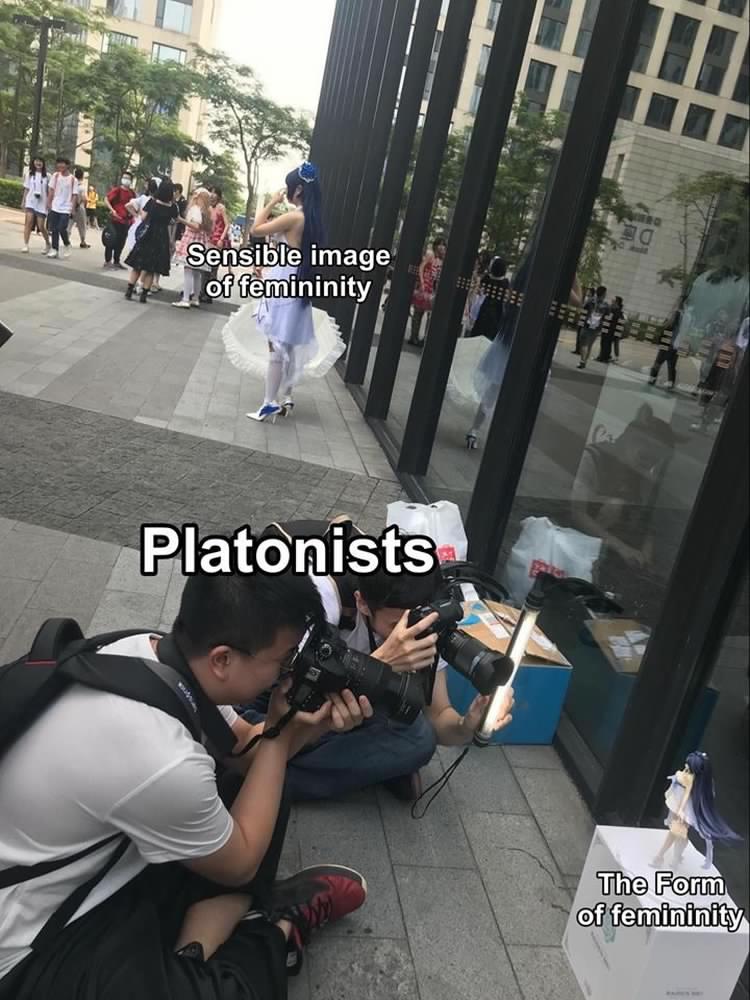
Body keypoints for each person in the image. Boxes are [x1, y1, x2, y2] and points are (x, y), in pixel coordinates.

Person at [0, 572, 369, 1000]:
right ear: (223, 660)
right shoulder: (162, 756)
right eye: (284, 662)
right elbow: (241, 863)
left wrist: (307, 726)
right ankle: (274, 931)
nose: (286, 676)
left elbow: (246, 749)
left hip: (98, 857)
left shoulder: (146, 651)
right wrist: (278, 734)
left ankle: (192, 949)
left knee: (262, 786)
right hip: (27, 942)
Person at [244, 561, 514, 803]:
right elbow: (291, 693)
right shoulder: (326, 599)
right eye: (395, 624)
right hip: (285, 692)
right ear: (362, 603)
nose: (407, 635)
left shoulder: (428, 627)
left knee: (419, 739)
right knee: (248, 721)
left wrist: (467, 725)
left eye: (416, 623)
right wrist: (383, 661)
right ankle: (265, 777)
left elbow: (439, 716)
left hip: (345, 712)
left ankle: (265, 773)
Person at [243, 162, 331, 422]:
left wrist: (272, 202)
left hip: (284, 284)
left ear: (299, 190)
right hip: (298, 283)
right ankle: (286, 397)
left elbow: (256, 229)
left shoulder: (295, 217)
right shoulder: (313, 219)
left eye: (290, 187)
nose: (288, 191)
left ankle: (269, 402)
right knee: (288, 344)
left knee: (276, 345)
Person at [125, 179, 179, 303]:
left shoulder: (152, 202)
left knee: (138, 266)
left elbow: (143, 217)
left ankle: (129, 290)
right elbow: (173, 221)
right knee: (151, 269)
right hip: (161, 238)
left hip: (147, 235)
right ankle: (144, 295)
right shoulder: (172, 207)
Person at [172, 188, 214, 309]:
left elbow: (195, 226)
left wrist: (181, 220)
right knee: (197, 272)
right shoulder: (207, 211)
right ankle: (195, 298)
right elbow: (208, 229)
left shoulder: (195, 209)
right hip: (201, 241)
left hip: (192, 240)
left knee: (188, 270)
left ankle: (185, 299)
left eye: (195, 194)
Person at [409, 238, 446, 347]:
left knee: (430, 315)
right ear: (435, 245)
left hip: (433, 290)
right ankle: (414, 336)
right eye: (440, 244)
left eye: (443, 245)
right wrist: (421, 282)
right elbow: (421, 268)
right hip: (425, 286)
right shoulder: (430, 254)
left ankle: (424, 338)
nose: (442, 247)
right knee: (418, 313)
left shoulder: (442, 259)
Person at [648, 293, 687, 390]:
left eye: (679, 300)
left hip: (668, 341)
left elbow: (669, 325)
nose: (677, 302)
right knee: (672, 364)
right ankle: (670, 383)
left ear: (681, 302)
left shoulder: (677, 313)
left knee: (658, 361)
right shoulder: (687, 316)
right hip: (676, 344)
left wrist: (665, 324)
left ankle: (652, 378)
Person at [200, 187, 229, 304]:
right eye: (211, 192)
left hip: (217, 242)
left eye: (214, 193)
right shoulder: (208, 208)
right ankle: (202, 292)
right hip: (207, 240)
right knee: (204, 268)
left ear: (218, 196)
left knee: (213, 269)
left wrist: (221, 239)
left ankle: (209, 295)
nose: (212, 195)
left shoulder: (221, 207)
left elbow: (227, 225)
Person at [104, 170, 135, 270]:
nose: (126, 180)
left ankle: (116, 261)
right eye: (124, 178)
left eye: (128, 178)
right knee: (111, 240)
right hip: (115, 220)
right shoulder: (117, 190)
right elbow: (106, 199)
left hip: (126, 221)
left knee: (121, 242)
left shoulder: (132, 193)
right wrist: (112, 210)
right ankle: (107, 261)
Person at [46, 156, 76, 259]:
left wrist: (72, 208)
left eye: (62, 163)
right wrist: (49, 202)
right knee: (54, 229)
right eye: (58, 163)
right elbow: (51, 190)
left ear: (67, 165)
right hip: (55, 206)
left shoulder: (73, 179)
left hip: (66, 208)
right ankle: (55, 249)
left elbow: (74, 195)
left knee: (61, 228)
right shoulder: (55, 176)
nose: (60, 165)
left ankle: (67, 244)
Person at [20, 156, 50, 254]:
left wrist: (49, 203)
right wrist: (23, 201)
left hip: (42, 203)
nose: (38, 163)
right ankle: (26, 244)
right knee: (28, 222)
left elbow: (49, 191)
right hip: (31, 201)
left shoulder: (47, 176)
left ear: (43, 163)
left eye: (40, 161)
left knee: (41, 226)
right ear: (33, 162)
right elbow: (26, 189)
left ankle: (48, 243)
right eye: (36, 161)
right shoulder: (29, 174)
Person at [577, 285, 609, 369]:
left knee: (583, 344)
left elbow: (583, 310)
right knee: (590, 345)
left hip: (587, 325)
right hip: (597, 327)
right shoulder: (606, 305)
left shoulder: (590, 301)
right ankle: (584, 362)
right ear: (604, 294)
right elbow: (607, 318)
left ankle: (582, 361)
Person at [596, 294, 625, 364]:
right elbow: (605, 318)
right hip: (606, 330)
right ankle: (602, 356)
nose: (611, 302)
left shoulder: (617, 312)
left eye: (613, 301)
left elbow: (619, 323)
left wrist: (616, 335)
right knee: (604, 343)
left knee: (606, 344)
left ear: (617, 303)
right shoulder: (612, 310)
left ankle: (604, 357)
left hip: (610, 331)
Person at [68, 168, 90, 249]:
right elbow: (84, 198)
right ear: (82, 176)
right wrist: (84, 203)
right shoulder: (82, 187)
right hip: (79, 207)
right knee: (82, 226)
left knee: (69, 224)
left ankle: (66, 239)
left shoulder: (72, 185)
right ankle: (82, 241)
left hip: (70, 207)